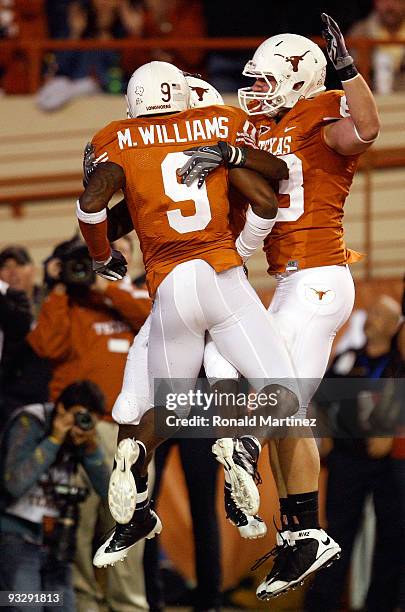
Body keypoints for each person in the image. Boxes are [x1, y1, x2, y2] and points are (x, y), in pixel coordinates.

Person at [76, 60, 302, 568]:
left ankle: (134, 488)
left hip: (168, 293)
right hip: (220, 276)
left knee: (156, 408)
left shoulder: (122, 139)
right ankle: (243, 446)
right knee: (283, 389)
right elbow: (276, 179)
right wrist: (232, 162)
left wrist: (100, 257)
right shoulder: (218, 122)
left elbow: (93, 208)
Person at [190, 13, 381, 600]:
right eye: (254, 80)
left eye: (269, 81)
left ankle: (243, 451)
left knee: (273, 398)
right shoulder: (252, 127)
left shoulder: (323, 114)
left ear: (301, 82)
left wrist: (348, 71)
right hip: (288, 282)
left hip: (321, 277)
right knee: (285, 410)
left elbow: (367, 130)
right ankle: (303, 533)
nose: (257, 91)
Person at [27, 236, 151, 612]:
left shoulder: (142, 298)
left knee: (127, 524)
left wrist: (108, 289)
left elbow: (154, 324)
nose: (108, 260)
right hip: (75, 429)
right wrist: (60, 286)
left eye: (120, 254)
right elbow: (46, 346)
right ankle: (81, 604)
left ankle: (128, 606)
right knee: (75, 523)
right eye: (100, 255)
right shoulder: (68, 303)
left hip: (130, 432)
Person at [305, 295, 403, 611]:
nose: (371, 318)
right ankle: (322, 604)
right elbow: (318, 400)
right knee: (337, 535)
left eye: (379, 314)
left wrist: (392, 434)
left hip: (388, 464)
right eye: (371, 312)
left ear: (394, 326)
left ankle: (381, 604)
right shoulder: (347, 359)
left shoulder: (398, 365)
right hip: (347, 460)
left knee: (392, 536)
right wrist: (326, 436)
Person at [0, 380, 110, 612]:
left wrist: (92, 450)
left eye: (90, 420)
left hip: (57, 542)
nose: (83, 425)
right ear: (61, 409)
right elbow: (14, 484)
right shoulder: (30, 422)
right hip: (17, 536)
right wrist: (54, 440)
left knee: (63, 607)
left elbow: (109, 493)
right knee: (26, 607)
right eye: (80, 416)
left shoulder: (82, 437)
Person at [348, 0, 405, 93]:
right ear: (375, 3)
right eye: (384, 1)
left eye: (396, 1)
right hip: (371, 98)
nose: (390, 6)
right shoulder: (360, 32)